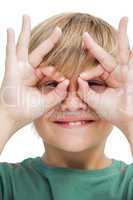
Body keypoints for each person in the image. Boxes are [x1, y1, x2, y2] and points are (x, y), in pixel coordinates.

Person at [0, 12, 133, 199]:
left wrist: (130, 118)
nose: (71, 104)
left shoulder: (128, 185)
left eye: (94, 84)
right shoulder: (7, 184)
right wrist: (6, 114)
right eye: (52, 84)